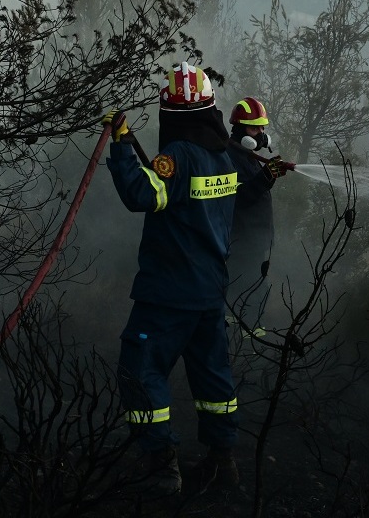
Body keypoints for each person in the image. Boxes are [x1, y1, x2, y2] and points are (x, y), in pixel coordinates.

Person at [100, 62, 241, 495]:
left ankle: (160, 466)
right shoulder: (222, 156)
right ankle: (223, 461)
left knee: (140, 371)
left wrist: (121, 145)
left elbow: (141, 193)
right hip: (209, 293)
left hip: (169, 294)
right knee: (213, 376)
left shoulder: (179, 156)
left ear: (171, 115)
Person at [225, 97, 293, 302]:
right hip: (242, 243)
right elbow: (238, 198)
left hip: (255, 242)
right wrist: (266, 176)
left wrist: (267, 175)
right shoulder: (229, 157)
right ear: (240, 129)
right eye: (255, 129)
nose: (261, 134)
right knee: (245, 293)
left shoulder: (246, 155)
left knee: (255, 289)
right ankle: (238, 321)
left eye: (262, 128)